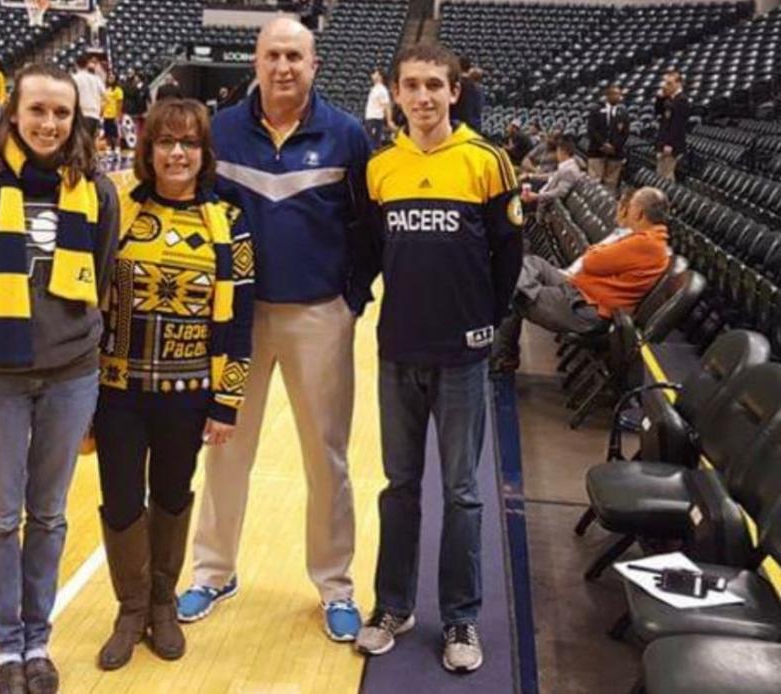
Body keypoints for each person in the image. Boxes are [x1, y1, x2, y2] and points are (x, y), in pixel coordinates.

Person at [176, 16, 374, 642]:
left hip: (319, 316)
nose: (283, 66)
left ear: (314, 64)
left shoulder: (346, 135)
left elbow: (367, 228)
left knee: (327, 456)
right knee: (225, 446)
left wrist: (351, 297)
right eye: (272, 55)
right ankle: (212, 571)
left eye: (294, 55)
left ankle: (335, 584)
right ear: (255, 63)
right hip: (237, 319)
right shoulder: (222, 131)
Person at [0, 62, 120, 694]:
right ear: (12, 112)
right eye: (38, 110)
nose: (49, 123)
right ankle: (5, 648)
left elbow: (100, 281)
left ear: (76, 120)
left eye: (61, 113)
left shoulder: (97, 193)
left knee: (47, 516)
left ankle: (38, 641)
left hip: (71, 377)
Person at [353, 42, 522, 674]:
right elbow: (371, 251)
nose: (422, 97)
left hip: (461, 357)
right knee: (399, 487)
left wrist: (484, 325)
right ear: (395, 93)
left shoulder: (487, 161)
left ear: (454, 91)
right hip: (397, 351)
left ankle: (461, 617)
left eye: (433, 86)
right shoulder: (380, 168)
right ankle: (393, 606)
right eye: (411, 86)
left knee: (461, 494)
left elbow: (508, 257)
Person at [93, 98, 254, 671]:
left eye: (188, 143)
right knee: (118, 499)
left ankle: (163, 601)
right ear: (149, 150)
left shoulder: (229, 222)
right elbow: (90, 302)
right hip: (116, 391)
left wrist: (227, 402)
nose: (177, 153)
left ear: (204, 153)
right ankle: (129, 608)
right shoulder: (117, 210)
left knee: (171, 494)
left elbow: (239, 321)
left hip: (186, 398)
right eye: (166, 142)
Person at [492, 187, 671, 370]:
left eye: (631, 206)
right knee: (533, 263)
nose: (627, 209)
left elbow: (591, 261)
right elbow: (596, 259)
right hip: (581, 291)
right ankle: (521, 296)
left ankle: (503, 356)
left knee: (514, 292)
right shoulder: (651, 241)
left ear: (640, 213)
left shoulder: (645, 243)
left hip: (587, 309)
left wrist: (598, 251)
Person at [587, 84, 630, 195]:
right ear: (608, 95)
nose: (618, 97)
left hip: (615, 153)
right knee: (595, 181)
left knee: (611, 183)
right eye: (615, 94)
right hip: (596, 151)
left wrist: (614, 147)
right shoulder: (596, 110)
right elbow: (591, 130)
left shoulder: (624, 113)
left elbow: (625, 133)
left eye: (619, 94)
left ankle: (609, 206)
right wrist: (603, 144)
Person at [521, 137, 584, 208]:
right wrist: (530, 175)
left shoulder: (568, 170)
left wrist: (536, 197)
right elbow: (551, 175)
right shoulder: (567, 166)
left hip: (545, 202)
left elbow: (559, 193)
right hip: (543, 194)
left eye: (557, 151)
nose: (556, 154)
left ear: (562, 151)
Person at [655, 71, 689, 181]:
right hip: (663, 142)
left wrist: (669, 144)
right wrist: (660, 98)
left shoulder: (681, 100)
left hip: (671, 146)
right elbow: (659, 113)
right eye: (665, 83)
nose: (665, 86)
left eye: (669, 83)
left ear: (678, 84)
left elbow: (677, 126)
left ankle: (667, 198)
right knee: (661, 174)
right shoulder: (670, 99)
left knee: (666, 176)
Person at [72, 54, 105, 140]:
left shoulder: (74, 78)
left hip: (80, 114)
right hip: (94, 114)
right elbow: (105, 96)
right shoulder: (96, 79)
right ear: (87, 64)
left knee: (80, 142)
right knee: (90, 142)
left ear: (76, 64)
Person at [364, 68, 394, 149]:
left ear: (380, 76)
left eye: (375, 73)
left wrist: (389, 120)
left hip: (375, 119)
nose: (372, 75)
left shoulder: (382, 90)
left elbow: (387, 106)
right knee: (370, 142)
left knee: (374, 144)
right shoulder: (374, 89)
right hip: (370, 119)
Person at [101, 73, 123, 155]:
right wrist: (101, 113)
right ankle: (109, 147)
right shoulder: (107, 90)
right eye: (109, 77)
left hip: (114, 114)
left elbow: (120, 104)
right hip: (106, 114)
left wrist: (119, 115)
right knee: (107, 132)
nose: (110, 79)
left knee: (116, 133)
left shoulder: (118, 90)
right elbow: (103, 102)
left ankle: (117, 147)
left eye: (112, 77)